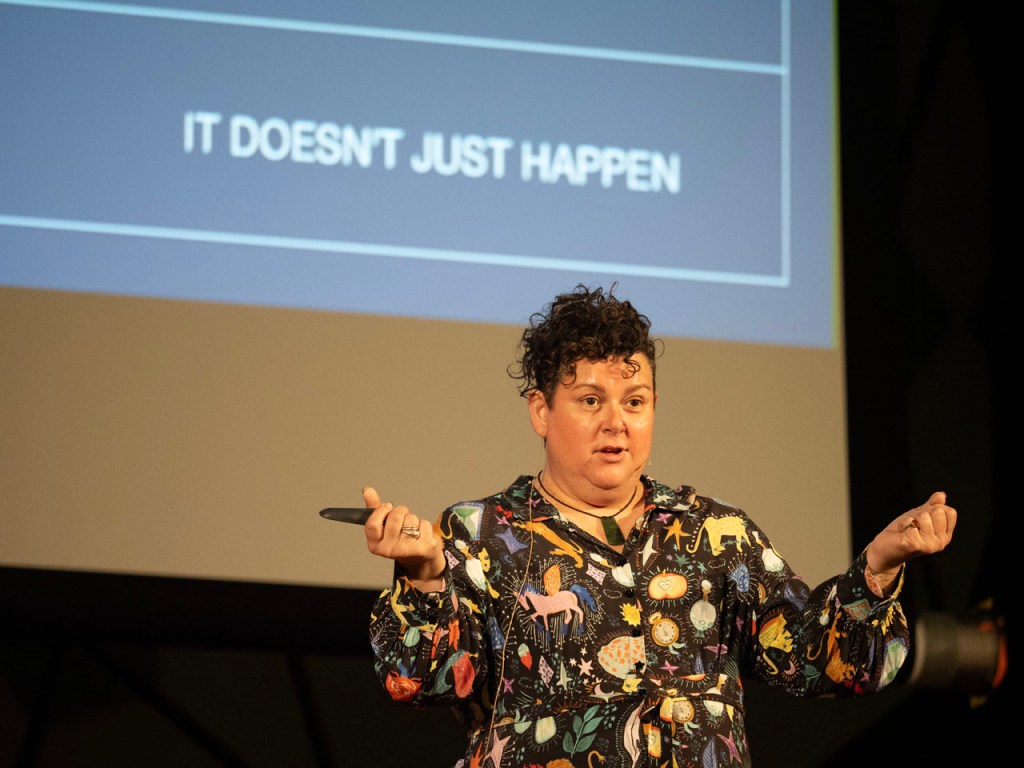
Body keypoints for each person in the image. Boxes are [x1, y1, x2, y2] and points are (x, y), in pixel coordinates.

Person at [360, 284, 956, 767]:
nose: (616, 422)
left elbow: (823, 662)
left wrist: (878, 568)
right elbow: (418, 681)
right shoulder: (482, 534)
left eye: (635, 401)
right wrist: (427, 576)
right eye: (590, 401)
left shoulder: (715, 534)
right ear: (541, 410)